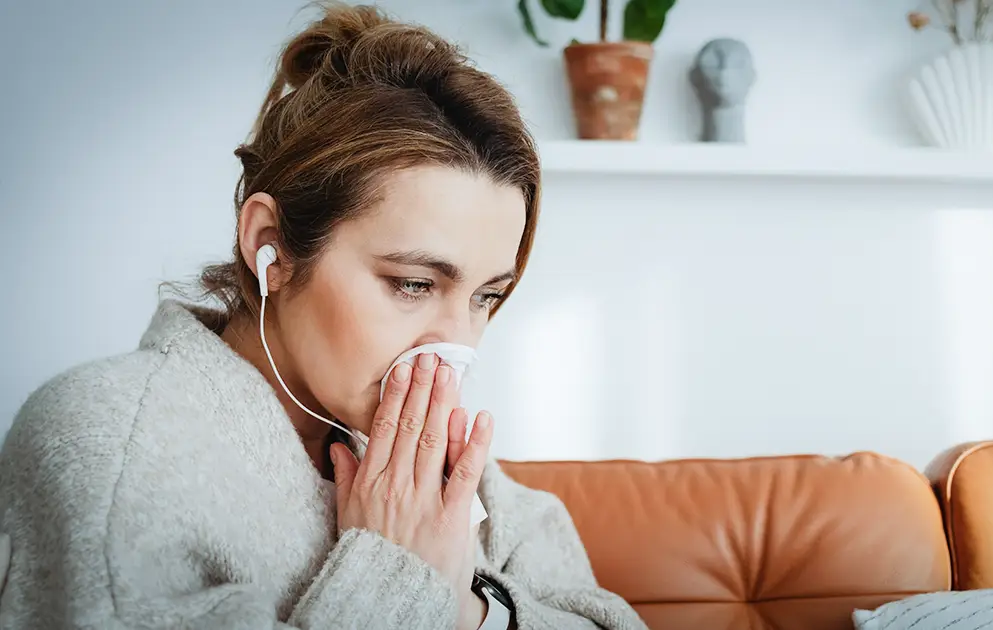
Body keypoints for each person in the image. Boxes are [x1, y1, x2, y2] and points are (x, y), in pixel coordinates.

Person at [0, 4, 648, 629]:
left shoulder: (407, 442)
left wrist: (470, 609)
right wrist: (396, 577)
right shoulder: (104, 443)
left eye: (485, 297)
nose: (457, 347)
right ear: (270, 247)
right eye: (415, 284)